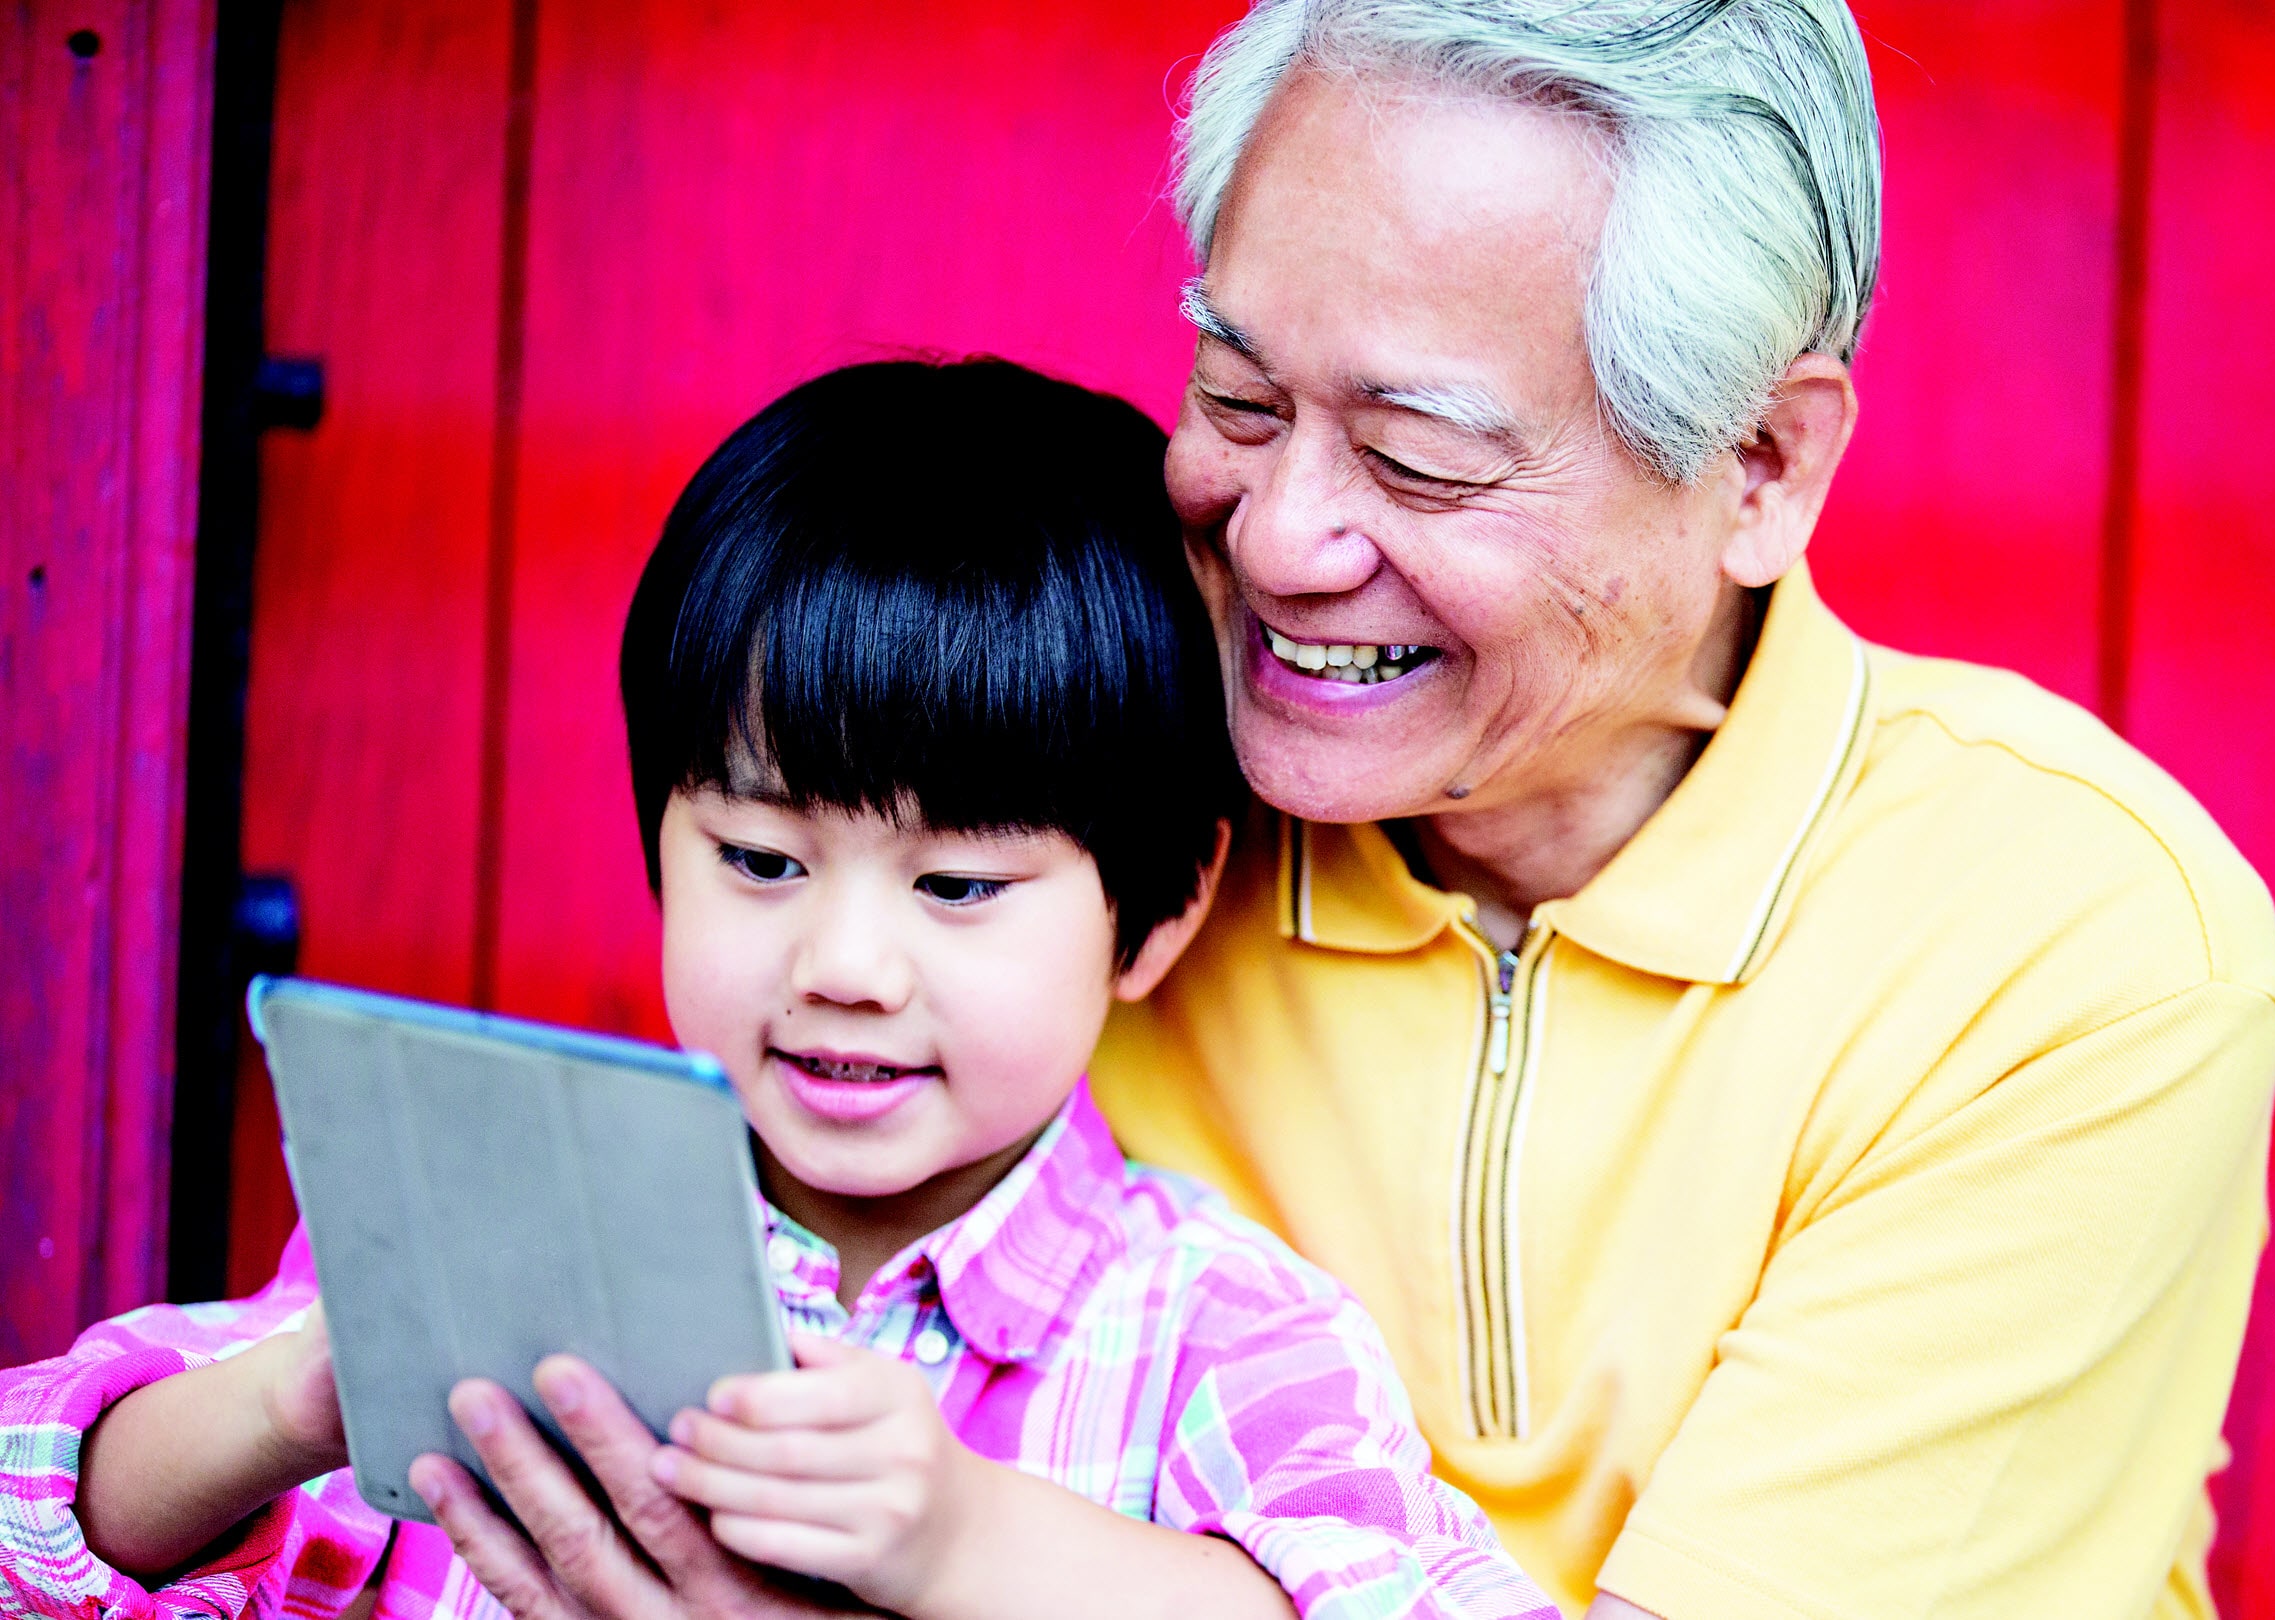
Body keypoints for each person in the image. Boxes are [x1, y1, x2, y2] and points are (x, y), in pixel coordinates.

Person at [0, 359, 1559, 1620]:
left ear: (1158, 912)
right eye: (760, 859)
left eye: (957, 888)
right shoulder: (501, 1216)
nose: (846, 971)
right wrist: (296, 1400)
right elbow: (39, 1528)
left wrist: (959, 1549)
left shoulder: (1220, 1335)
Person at [1084, 3, 2275, 1618]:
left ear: (1762, 465)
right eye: (1240, 401)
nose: (1282, 538)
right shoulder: (1054, 808)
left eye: (1420, 461)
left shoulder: (2069, 948)